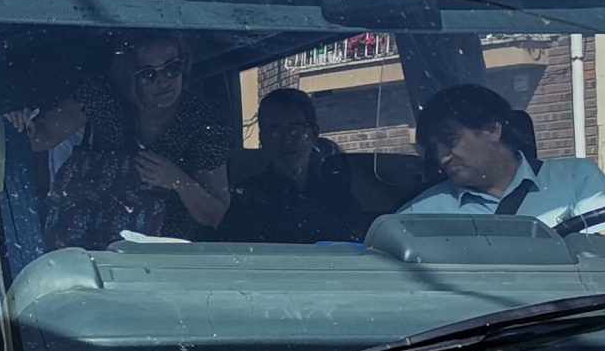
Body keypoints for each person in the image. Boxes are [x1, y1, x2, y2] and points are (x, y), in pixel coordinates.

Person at [40, 35, 232, 245]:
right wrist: (17, 117)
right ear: (128, 76)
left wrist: (177, 180)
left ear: (184, 65)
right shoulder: (105, 96)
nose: (164, 81)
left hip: (159, 263)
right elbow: (40, 136)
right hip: (85, 256)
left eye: (172, 68)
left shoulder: (204, 122)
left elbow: (214, 214)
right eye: (149, 74)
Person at [398, 82, 605, 226]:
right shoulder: (419, 214)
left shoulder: (576, 178)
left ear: (493, 130)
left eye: (449, 141)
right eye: (435, 147)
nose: (442, 156)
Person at [224, 87, 363, 243]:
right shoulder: (245, 199)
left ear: (314, 134)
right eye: (275, 131)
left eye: (295, 130)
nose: (287, 140)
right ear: (263, 140)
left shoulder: (339, 198)